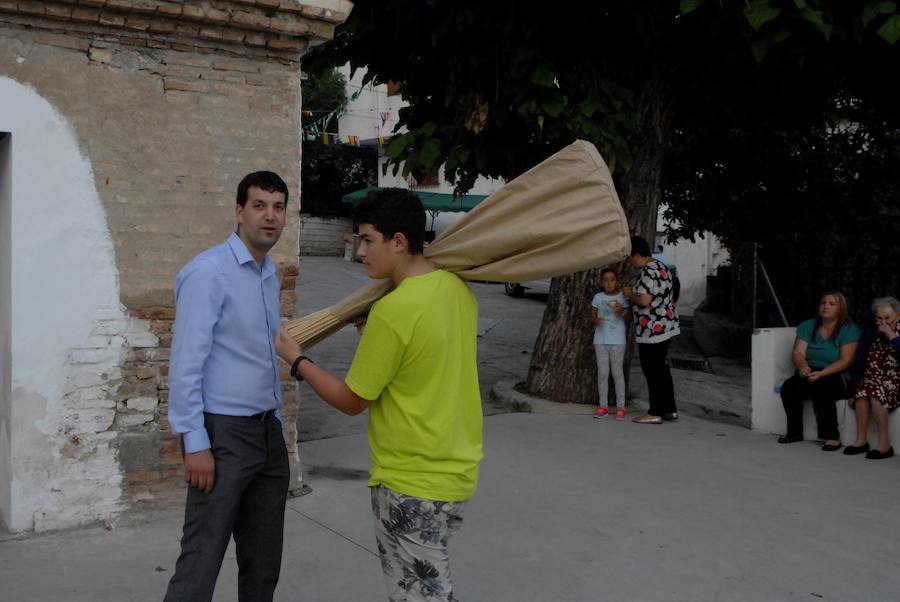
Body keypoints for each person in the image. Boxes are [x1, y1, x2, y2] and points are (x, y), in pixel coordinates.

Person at [276, 188, 482, 602]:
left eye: (368, 239)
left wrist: (298, 361)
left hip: (410, 479)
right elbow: (425, 362)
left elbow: (352, 400)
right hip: (455, 471)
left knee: (421, 595)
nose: (360, 252)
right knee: (426, 590)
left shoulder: (394, 310)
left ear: (399, 241)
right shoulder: (457, 289)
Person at [164, 171, 291, 602]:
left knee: (263, 562)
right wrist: (194, 441)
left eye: (278, 206)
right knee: (201, 560)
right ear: (239, 212)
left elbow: (257, 355)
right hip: (222, 437)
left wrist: (273, 421)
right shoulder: (208, 273)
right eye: (259, 205)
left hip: (266, 433)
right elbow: (186, 363)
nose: (269, 216)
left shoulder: (267, 275)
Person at [778, 291, 860, 451]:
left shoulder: (849, 329)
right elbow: (798, 353)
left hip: (837, 375)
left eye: (831, 304)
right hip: (811, 370)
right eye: (823, 303)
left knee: (822, 387)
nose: (826, 306)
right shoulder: (808, 326)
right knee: (789, 387)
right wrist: (802, 366)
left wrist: (823, 373)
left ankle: (832, 436)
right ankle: (794, 432)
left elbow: (846, 360)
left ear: (841, 309)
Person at [623, 235, 680, 424]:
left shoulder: (647, 271)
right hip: (667, 325)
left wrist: (630, 294)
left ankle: (655, 411)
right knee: (662, 368)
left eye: (630, 258)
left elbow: (645, 300)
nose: (630, 262)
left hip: (653, 329)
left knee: (652, 369)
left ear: (637, 254)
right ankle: (669, 409)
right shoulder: (661, 266)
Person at [844, 296, 900, 459]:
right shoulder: (869, 334)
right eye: (879, 318)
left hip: (895, 381)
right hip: (871, 380)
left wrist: (891, 334)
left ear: (897, 315)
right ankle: (861, 441)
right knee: (861, 395)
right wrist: (853, 390)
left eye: (888, 318)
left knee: (875, 395)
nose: (883, 323)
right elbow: (859, 363)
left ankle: (884, 445)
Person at [591, 267, 632, 420]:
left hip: (617, 342)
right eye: (605, 280)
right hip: (600, 341)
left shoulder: (622, 297)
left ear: (617, 282)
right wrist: (597, 320)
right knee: (602, 373)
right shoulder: (598, 297)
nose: (609, 283)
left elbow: (629, 317)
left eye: (612, 280)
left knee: (617, 373)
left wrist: (621, 309)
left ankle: (621, 407)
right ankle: (603, 406)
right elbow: (592, 317)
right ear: (601, 283)